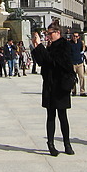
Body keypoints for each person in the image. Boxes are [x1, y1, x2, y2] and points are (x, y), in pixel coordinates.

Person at [31, 24, 76, 156]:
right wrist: (36, 47)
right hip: (50, 85)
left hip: (60, 85)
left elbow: (53, 62)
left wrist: (40, 47)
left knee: (63, 116)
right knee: (50, 116)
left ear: (57, 32)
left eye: (49, 34)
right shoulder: (50, 46)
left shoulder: (64, 45)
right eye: (46, 34)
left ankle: (67, 144)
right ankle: (50, 144)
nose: (48, 36)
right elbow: (42, 62)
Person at [69, 32, 87, 96]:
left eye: (76, 36)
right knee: (73, 78)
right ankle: (73, 91)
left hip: (79, 63)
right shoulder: (69, 43)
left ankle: (82, 91)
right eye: (74, 36)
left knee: (82, 77)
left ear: (78, 37)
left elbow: (83, 51)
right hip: (73, 63)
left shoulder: (80, 43)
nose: (75, 37)